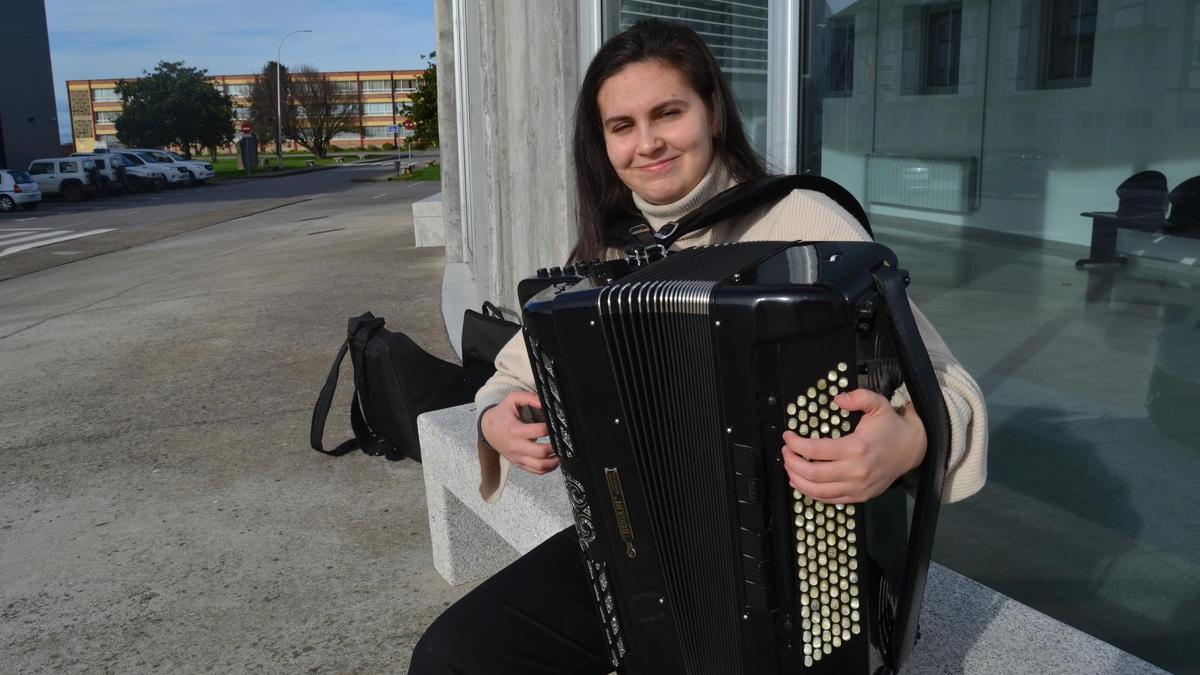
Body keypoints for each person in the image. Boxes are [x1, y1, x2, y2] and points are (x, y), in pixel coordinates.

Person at [409, 19, 987, 674]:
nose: (647, 142)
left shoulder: (803, 222)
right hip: (645, 550)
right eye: (621, 126)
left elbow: (949, 385)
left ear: (711, 111)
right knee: (452, 653)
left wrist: (906, 441)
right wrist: (494, 416)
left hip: (803, 562)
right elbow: (515, 368)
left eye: (668, 113)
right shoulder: (608, 252)